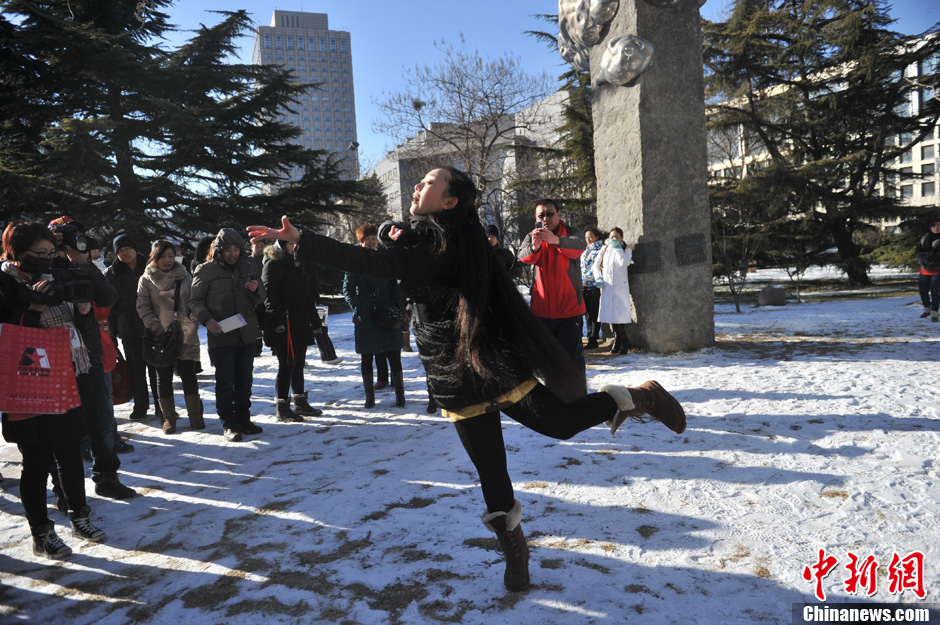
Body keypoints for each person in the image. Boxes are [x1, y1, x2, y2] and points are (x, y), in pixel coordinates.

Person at [248, 166, 686, 592]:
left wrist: (304, 239)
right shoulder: (435, 236)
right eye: (420, 181)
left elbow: (368, 260)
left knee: (561, 424)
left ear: (450, 201)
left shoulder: (448, 244)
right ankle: (514, 548)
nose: (417, 186)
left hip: (490, 361)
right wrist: (392, 233)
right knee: (490, 469)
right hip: (451, 372)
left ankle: (640, 397)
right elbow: (397, 248)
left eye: (429, 182)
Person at [1, 222, 107, 559]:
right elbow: (8, 335)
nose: (48, 259)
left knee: (70, 452)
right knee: (36, 460)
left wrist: (84, 311)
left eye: (51, 252)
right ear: (18, 252)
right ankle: (42, 534)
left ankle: (79, 515)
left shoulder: (59, 275)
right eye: (40, 253)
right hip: (28, 379)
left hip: (66, 373)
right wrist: (33, 308)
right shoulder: (5, 283)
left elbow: (80, 327)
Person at [47, 217, 136, 500]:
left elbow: (108, 297)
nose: (69, 242)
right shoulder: (39, 265)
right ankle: (64, 489)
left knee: (102, 419)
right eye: (61, 237)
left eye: (76, 236)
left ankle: (107, 477)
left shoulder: (83, 264)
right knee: (61, 426)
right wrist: (49, 256)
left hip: (89, 352)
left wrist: (82, 263)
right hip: (52, 357)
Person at [190, 228, 266, 442]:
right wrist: (207, 320)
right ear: (219, 250)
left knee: (245, 381)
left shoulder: (249, 266)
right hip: (221, 334)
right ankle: (229, 423)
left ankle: (244, 419)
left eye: (236, 249)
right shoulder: (206, 270)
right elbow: (195, 301)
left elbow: (262, 296)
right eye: (228, 250)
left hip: (246, 333)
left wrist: (255, 290)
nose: (232, 254)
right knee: (224, 382)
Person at [136, 240, 204, 433]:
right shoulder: (146, 279)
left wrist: (193, 320)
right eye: (162, 256)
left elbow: (194, 299)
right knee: (163, 376)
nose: (167, 260)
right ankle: (168, 418)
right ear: (154, 257)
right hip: (161, 335)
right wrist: (155, 326)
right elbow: (143, 306)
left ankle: (195, 416)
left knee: (189, 374)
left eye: (171, 256)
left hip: (186, 333)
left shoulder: (184, 274)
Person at [517, 199, 587, 373]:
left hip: (569, 311)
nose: (546, 218)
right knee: (547, 360)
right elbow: (522, 257)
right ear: (536, 218)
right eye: (541, 215)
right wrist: (534, 247)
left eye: (550, 214)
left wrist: (556, 240)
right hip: (542, 311)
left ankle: (577, 391)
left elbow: (579, 247)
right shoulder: (532, 235)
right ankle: (552, 390)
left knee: (572, 361)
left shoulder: (571, 232)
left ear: (559, 214)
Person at [343, 223, 406, 409]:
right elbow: (348, 289)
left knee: (394, 354)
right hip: (366, 317)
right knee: (367, 356)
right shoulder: (355, 261)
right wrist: (358, 308)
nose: (371, 242)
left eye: (373, 239)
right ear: (361, 242)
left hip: (388, 313)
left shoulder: (384, 259)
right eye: (367, 239)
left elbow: (395, 285)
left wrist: (396, 305)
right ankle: (369, 396)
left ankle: (400, 394)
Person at [262, 239, 324, 421]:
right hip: (284, 324)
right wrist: (278, 321)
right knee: (287, 364)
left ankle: (300, 402)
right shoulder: (273, 264)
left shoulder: (300, 263)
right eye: (290, 243)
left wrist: (315, 322)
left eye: (296, 243)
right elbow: (269, 296)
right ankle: (282, 407)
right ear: (282, 245)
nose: (294, 246)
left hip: (300, 321)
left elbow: (308, 296)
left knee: (298, 364)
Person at [106, 234, 160, 422]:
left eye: (127, 248)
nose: (125, 253)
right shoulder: (111, 274)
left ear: (135, 249)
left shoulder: (151, 266)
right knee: (136, 370)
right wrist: (112, 334)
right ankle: (141, 405)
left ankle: (162, 405)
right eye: (120, 250)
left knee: (157, 369)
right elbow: (110, 308)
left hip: (153, 325)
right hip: (128, 328)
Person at [593, 227, 633, 354]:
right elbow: (595, 265)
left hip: (620, 287)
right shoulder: (604, 249)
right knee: (611, 315)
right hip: (608, 286)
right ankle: (621, 340)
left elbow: (623, 263)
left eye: (616, 236)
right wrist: (598, 278)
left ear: (621, 238)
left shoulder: (626, 250)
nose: (613, 239)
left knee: (619, 315)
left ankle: (621, 341)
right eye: (611, 236)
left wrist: (618, 248)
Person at [580, 227, 605, 349]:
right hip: (583, 285)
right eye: (586, 237)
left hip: (594, 285)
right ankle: (589, 337)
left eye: (590, 237)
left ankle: (593, 339)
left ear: (597, 237)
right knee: (586, 314)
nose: (588, 239)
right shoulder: (586, 250)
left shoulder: (601, 249)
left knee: (594, 314)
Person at [915, 219, 940, 322]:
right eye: (934, 226)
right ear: (930, 227)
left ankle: (934, 313)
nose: (936, 228)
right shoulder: (924, 238)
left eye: (938, 226)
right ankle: (927, 309)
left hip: (937, 269)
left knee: (935, 292)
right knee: (923, 291)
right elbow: (917, 251)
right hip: (924, 269)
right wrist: (922, 257)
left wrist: (930, 257)